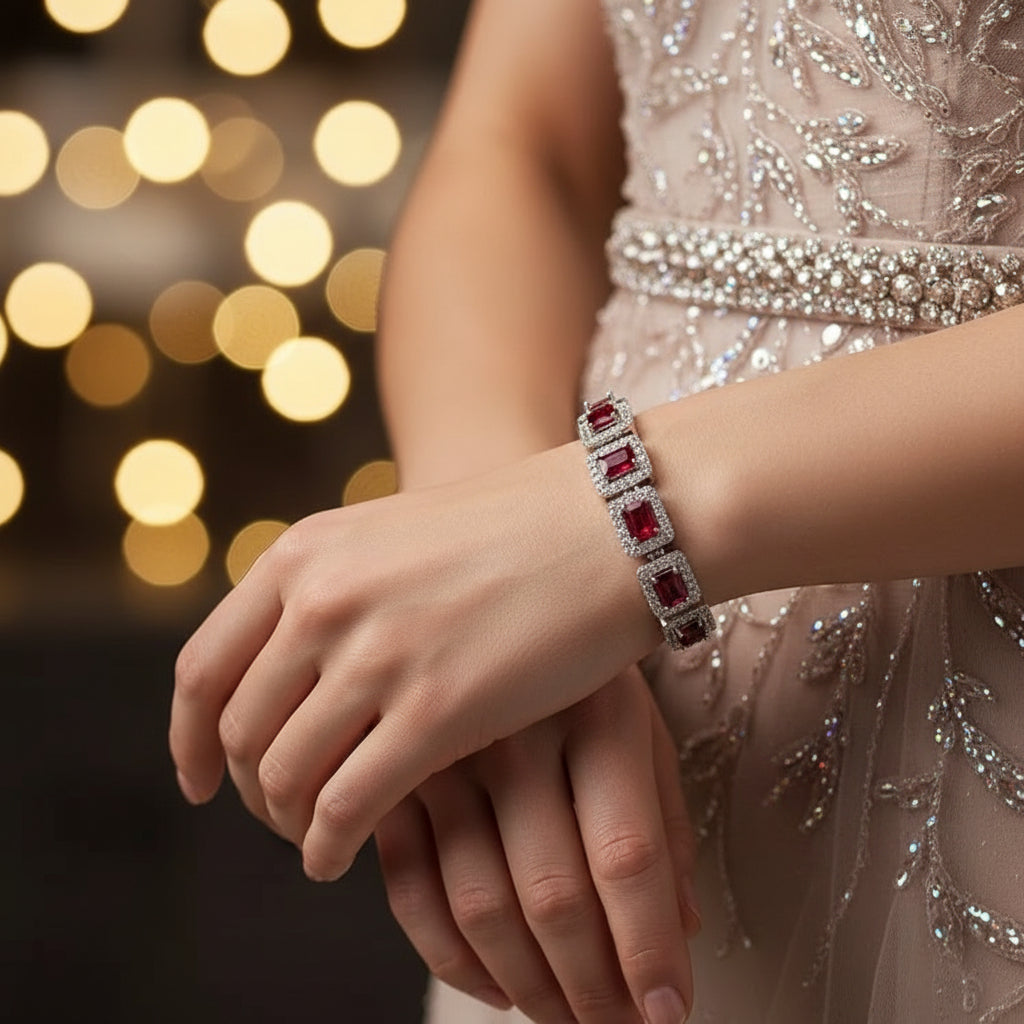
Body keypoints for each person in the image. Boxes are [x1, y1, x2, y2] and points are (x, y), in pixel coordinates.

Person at [169, 1, 1024, 1021]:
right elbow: (519, 142)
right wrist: (487, 570)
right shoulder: (535, 627)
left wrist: (614, 526)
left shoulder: (608, 532)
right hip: (586, 755)